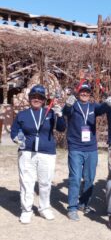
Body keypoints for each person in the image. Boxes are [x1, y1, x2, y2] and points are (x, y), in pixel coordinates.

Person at [10, 85, 66, 224]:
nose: (36, 99)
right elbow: (14, 131)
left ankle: (44, 208)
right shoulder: (22, 115)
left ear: (43, 100)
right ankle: (26, 210)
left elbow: (61, 128)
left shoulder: (50, 112)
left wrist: (59, 115)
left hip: (47, 153)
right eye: (33, 97)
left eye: (39, 97)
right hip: (26, 153)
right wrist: (17, 138)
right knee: (26, 182)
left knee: (45, 182)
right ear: (30, 99)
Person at [63, 82, 111, 221]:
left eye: (87, 92)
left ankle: (83, 204)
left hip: (91, 148)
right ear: (78, 93)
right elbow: (65, 113)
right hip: (75, 148)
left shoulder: (93, 106)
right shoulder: (73, 105)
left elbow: (103, 108)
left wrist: (108, 103)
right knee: (75, 178)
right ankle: (72, 208)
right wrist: (67, 105)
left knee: (90, 178)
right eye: (82, 91)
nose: (84, 94)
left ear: (90, 94)